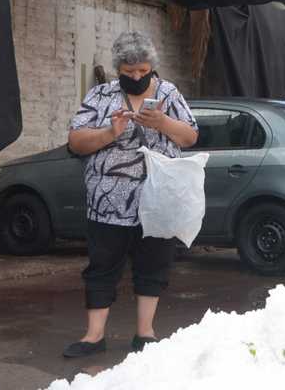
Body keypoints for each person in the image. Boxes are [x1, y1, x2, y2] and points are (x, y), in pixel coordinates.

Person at [63, 31, 198, 358]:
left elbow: (190, 136)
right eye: (129, 72)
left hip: (157, 202)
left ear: (152, 66)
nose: (137, 77)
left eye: (143, 71)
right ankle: (94, 336)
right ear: (117, 68)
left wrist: (163, 122)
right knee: (102, 266)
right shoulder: (100, 95)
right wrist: (111, 132)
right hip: (107, 204)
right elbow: (75, 142)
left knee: (153, 264)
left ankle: (145, 334)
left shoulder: (168, 93)